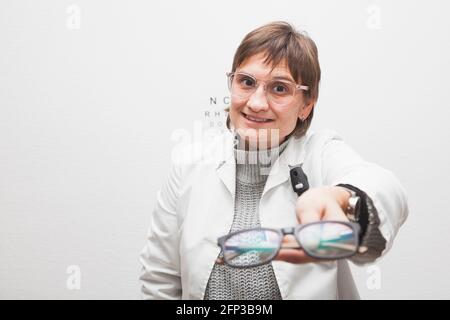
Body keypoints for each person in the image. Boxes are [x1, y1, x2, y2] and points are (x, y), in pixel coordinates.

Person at [139, 21, 409, 299]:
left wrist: (343, 198)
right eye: (246, 82)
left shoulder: (321, 153)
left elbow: (385, 187)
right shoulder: (189, 164)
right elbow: (160, 279)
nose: (256, 103)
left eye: (279, 88)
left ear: (307, 104)